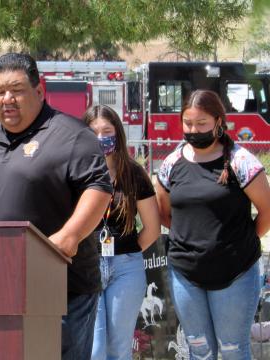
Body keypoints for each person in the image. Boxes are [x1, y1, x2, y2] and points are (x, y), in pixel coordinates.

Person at [0, 53, 113, 360]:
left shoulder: (72, 135)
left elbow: (99, 188)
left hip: (61, 288)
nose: (7, 99)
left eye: (17, 90)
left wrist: (69, 235)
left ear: (39, 91)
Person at [156, 89, 270, 360]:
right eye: (188, 123)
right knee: (199, 351)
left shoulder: (241, 162)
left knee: (233, 351)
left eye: (202, 124)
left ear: (219, 122)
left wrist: (241, 240)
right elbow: (164, 212)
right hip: (185, 274)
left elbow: (267, 210)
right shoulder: (172, 163)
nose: (194, 130)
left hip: (236, 274)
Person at [84, 105, 160, 360]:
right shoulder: (76, 170)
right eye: (93, 131)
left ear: (117, 132)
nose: (100, 137)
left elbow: (152, 228)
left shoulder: (134, 173)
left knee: (119, 347)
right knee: (95, 348)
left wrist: (127, 252)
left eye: (106, 130)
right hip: (87, 265)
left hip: (126, 268)